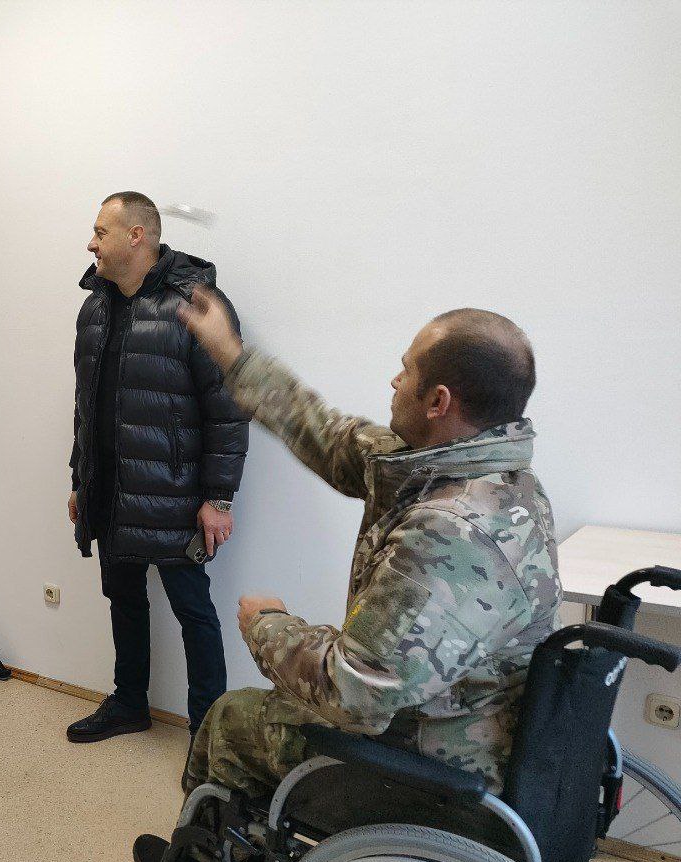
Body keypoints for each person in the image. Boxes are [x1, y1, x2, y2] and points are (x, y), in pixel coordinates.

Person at [173, 291, 560, 798]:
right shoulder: (485, 472)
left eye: (406, 372)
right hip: (442, 708)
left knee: (234, 719)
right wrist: (233, 358)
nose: (394, 382)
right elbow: (332, 436)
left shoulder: (455, 533)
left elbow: (352, 692)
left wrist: (266, 625)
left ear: (438, 401)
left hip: (438, 757)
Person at [66, 193, 249, 743]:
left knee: (193, 611)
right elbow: (85, 405)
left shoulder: (196, 304)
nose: (91, 242)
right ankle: (129, 703)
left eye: (101, 231)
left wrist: (218, 499)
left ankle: (208, 735)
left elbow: (230, 406)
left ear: (137, 236)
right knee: (122, 599)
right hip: (111, 488)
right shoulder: (94, 306)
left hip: (174, 492)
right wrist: (81, 479)